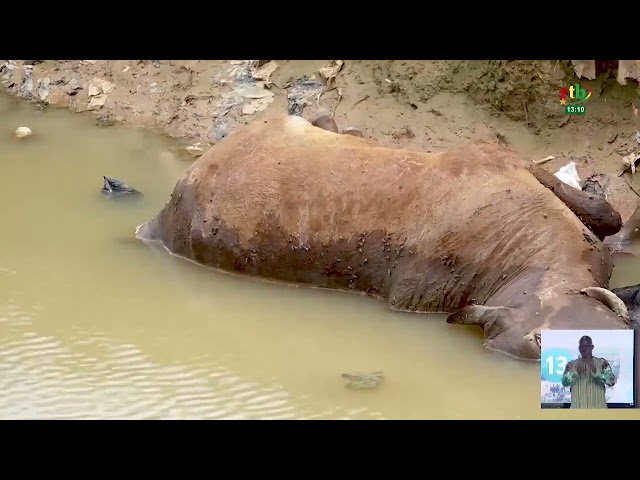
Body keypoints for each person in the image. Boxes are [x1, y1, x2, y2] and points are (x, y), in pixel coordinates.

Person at [561, 335, 616, 409]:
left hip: (598, 412)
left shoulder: (602, 363)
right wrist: (574, 372)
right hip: (577, 412)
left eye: (587, 346)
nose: (584, 348)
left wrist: (596, 372)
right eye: (582, 346)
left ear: (592, 347)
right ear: (579, 348)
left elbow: (611, 382)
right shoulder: (571, 365)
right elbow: (565, 382)